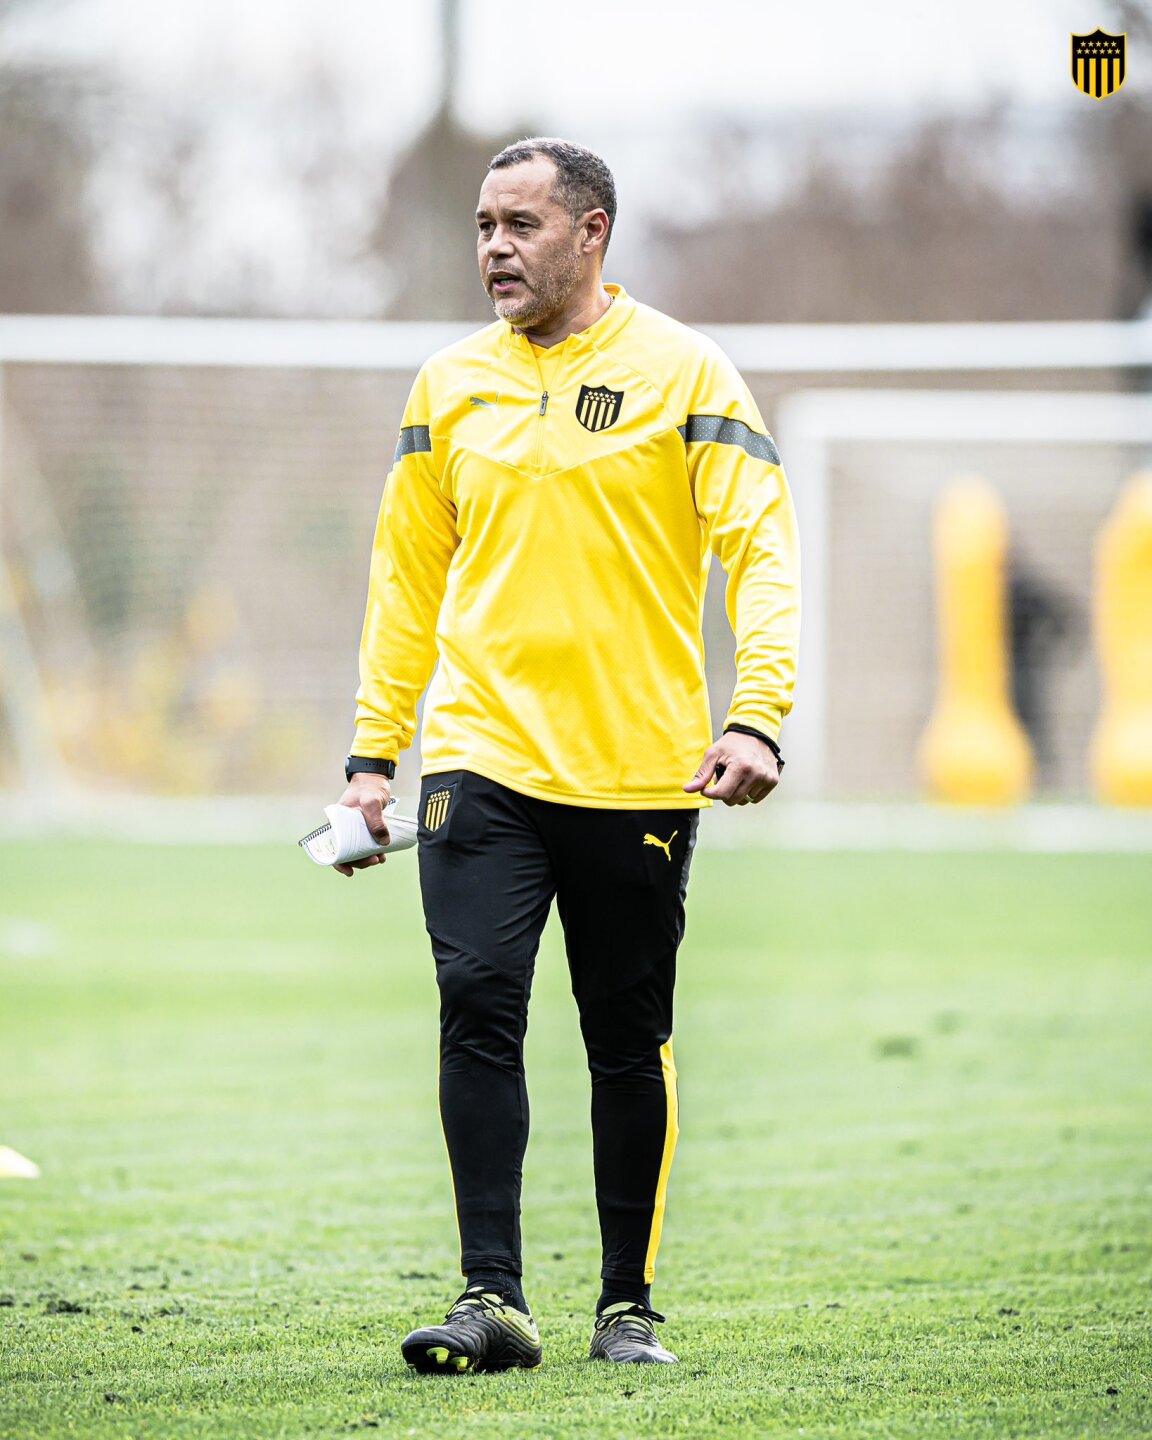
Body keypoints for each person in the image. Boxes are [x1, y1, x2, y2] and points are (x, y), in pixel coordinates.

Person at [335, 137, 800, 1372]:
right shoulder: (446, 387)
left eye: (522, 225)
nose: (495, 246)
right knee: (477, 1002)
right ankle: (492, 1297)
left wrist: (758, 712)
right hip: (479, 761)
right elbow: (406, 586)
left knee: (624, 1036)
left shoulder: (686, 372)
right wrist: (375, 752)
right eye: (484, 224)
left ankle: (625, 1308)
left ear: (592, 233)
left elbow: (760, 547)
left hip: (641, 773)